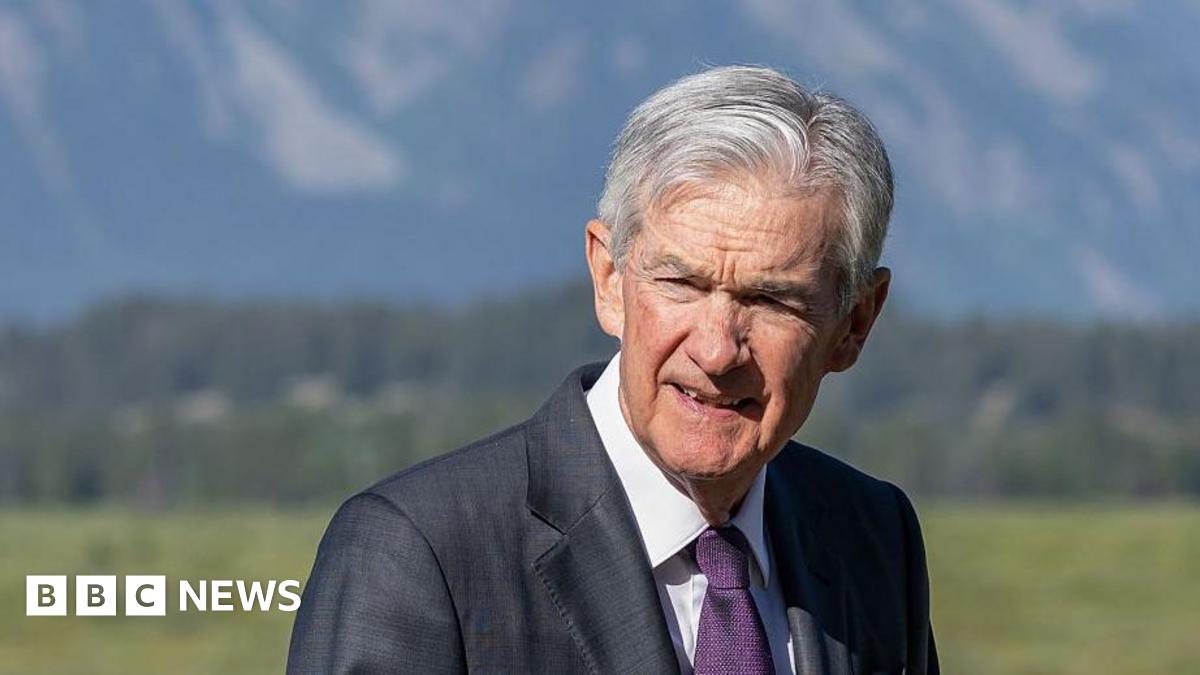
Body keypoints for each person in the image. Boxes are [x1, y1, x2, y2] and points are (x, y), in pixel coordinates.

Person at [287, 65, 938, 675]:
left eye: (770, 300)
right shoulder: (418, 554)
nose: (716, 351)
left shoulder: (873, 539)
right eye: (681, 282)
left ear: (854, 323)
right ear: (608, 277)